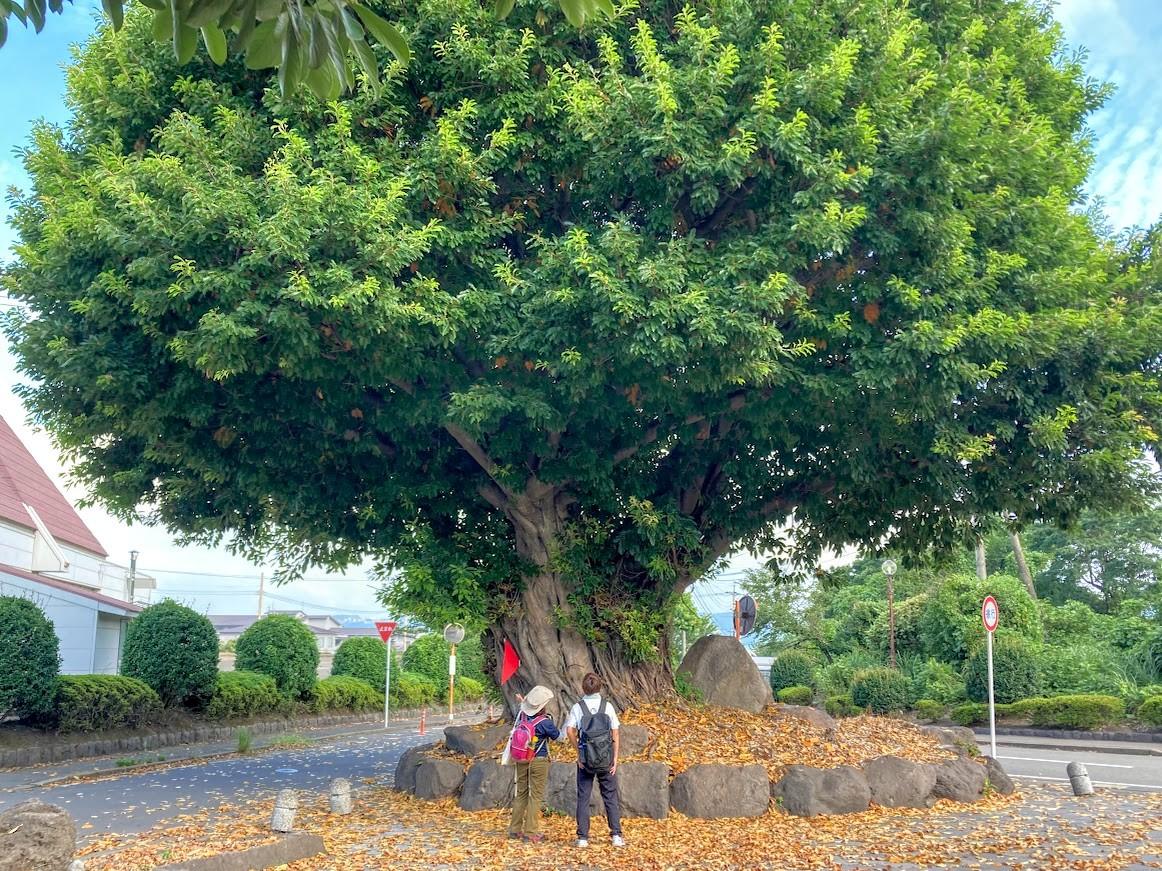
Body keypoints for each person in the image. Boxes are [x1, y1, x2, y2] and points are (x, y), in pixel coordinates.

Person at [565, 672, 624, 848]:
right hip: (606, 760)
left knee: (583, 796)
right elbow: (615, 732)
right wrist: (614, 758)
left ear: (583, 688)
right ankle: (616, 836)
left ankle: (582, 838)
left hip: (586, 761)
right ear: (600, 687)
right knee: (610, 796)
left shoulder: (578, 707)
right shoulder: (607, 706)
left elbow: (569, 730)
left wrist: (579, 753)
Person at [506, 685, 560, 843]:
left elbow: (526, 710)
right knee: (535, 796)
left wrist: (524, 702)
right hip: (538, 760)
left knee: (521, 793)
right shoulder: (545, 722)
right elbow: (556, 735)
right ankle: (530, 832)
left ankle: (514, 830)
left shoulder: (522, 716)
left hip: (521, 759)